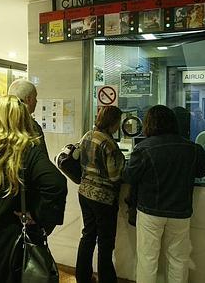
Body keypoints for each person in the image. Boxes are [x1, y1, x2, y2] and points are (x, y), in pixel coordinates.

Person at [0, 95, 67, 283]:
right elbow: (56, 183)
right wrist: (38, 216)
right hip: (11, 236)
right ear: (22, 118)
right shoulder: (27, 152)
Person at [123, 105, 205, 283]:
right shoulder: (192, 148)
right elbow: (202, 172)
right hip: (180, 211)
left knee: (148, 259)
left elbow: (129, 175)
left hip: (150, 211)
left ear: (149, 123)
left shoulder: (143, 148)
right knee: (178, 259)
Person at [76, 105, 125, 283]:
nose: (118, 126)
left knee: (88, 235)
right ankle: (107, 279)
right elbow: (114, 176)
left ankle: (82, 277)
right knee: (105, 242)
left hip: (84, 192)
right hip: (103, 198)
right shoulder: (108, 144)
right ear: (113, 123)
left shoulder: (88, 135)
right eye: (118, 122)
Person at [8, 79, 49, 156]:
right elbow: (41, 158)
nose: (36, 101)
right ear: (28, 99)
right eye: (35, 97)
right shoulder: (32, 127)